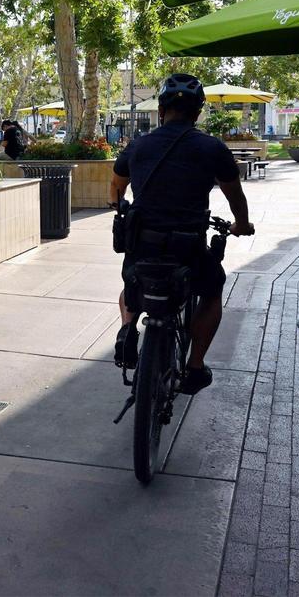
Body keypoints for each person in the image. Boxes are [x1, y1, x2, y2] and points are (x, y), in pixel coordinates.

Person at [109, 74, 255, 395]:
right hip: (187, 243)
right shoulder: (211, 147)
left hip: (143, 241)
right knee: (213, 288)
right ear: (198, 112)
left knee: (132, 284)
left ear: (161, 110)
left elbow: (116, 188)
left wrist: (120, 206)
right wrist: (241, 225)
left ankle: (126, 330)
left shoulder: (139, 145)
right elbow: (235, 197)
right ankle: (195, 366)